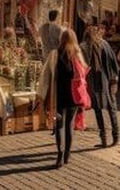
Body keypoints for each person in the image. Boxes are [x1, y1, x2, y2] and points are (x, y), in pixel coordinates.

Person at [37, 29, 90, 168]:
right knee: (70, 126)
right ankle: (67, 154)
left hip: (59, 98)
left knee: (59, 125)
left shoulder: (54, 54)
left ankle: (60, 155)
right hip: (74, 98)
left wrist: (41, 94)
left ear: (61, 39)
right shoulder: (78, 55)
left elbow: (45, 76)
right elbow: (84, 74)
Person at [81, 26, 120, 148]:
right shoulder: (105, 44)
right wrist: (115, 78)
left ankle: (103, 139)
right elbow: (114, 62)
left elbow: (83, 64)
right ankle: (115, 137)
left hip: (95, 80)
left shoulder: (85, 46)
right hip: (108, 79)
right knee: (111, 108)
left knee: (98, 109)